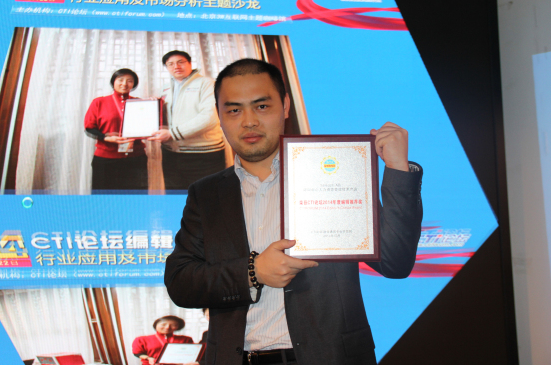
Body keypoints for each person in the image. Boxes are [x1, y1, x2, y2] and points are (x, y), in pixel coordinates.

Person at [164, 58, 423, 365]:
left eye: (262, 106)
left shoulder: (333, 170)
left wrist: (397, 168)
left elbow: (395, 262)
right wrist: (253, 272)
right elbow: (181, 282)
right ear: (219, 115)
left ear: (285, 106)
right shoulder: (206, 193)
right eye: (234, 110)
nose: (248, 121)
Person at [147, 50, 225, 191]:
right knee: (175, 196)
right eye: (170, 64)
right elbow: (165, 118)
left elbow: (210, 117)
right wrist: (153, 106)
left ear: (189, 63)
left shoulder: (207, 84)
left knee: (206, 196)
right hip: (171, 153)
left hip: (203, 154)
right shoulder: (165, 88)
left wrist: (172, 134)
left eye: (180, 62)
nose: (176, 66)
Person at [84, 68, 148, 192]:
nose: (124, 83)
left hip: (135, 158)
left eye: (130, 81)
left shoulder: (140, 103)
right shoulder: (99, 102)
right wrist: (107, 138)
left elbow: (148, 126)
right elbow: (89, 128)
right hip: (106, 160)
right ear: (113, 82)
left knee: (136, 197)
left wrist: (156, 104)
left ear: (134, 85)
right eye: (120, 80)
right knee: (104, 198)